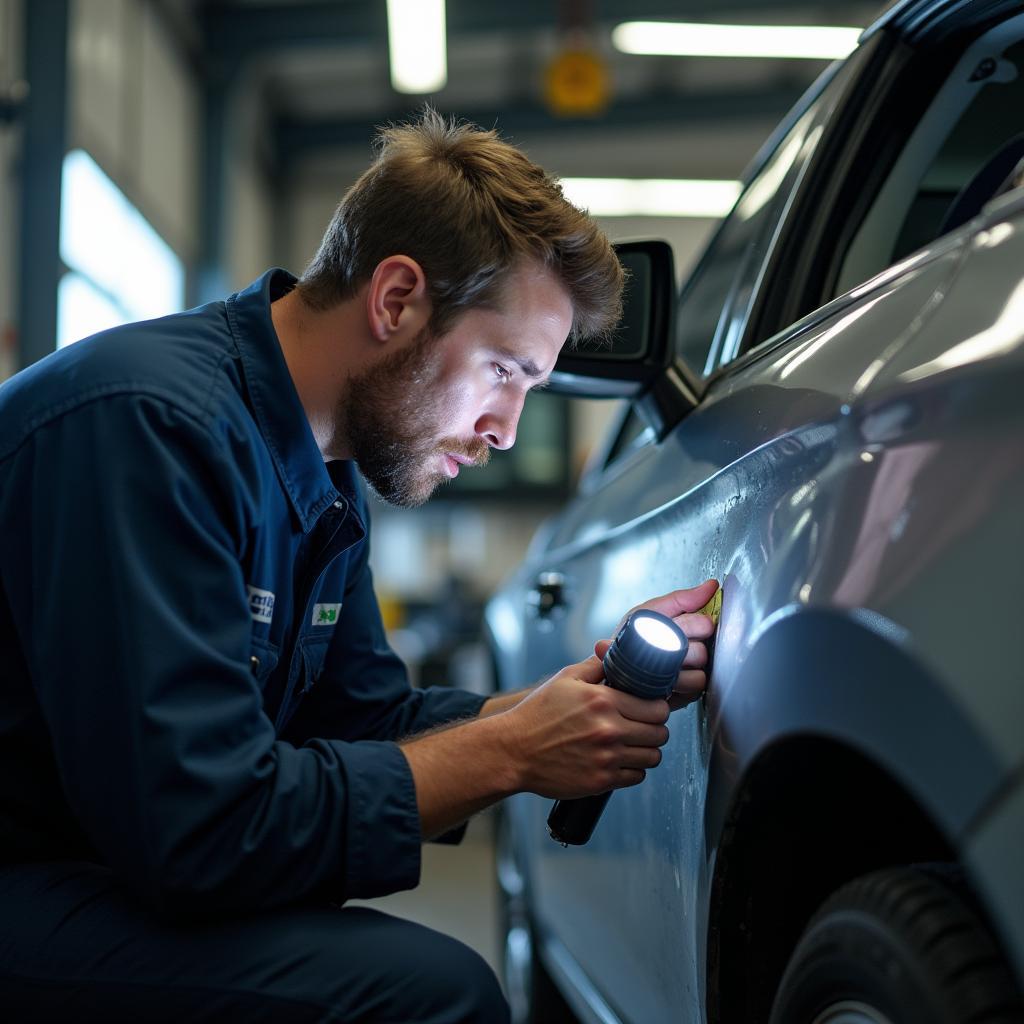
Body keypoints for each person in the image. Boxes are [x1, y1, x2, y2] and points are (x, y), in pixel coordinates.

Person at [0, 110, 717, 1022]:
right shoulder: (149, 426)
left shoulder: (326, 473)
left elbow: (363, 715)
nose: (505, 429)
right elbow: (199, 833)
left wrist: (550, 710)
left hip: (90, 861)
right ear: (396, 300)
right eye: (503, 370)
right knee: (429, 994)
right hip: (34, 874)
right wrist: (509, 752)